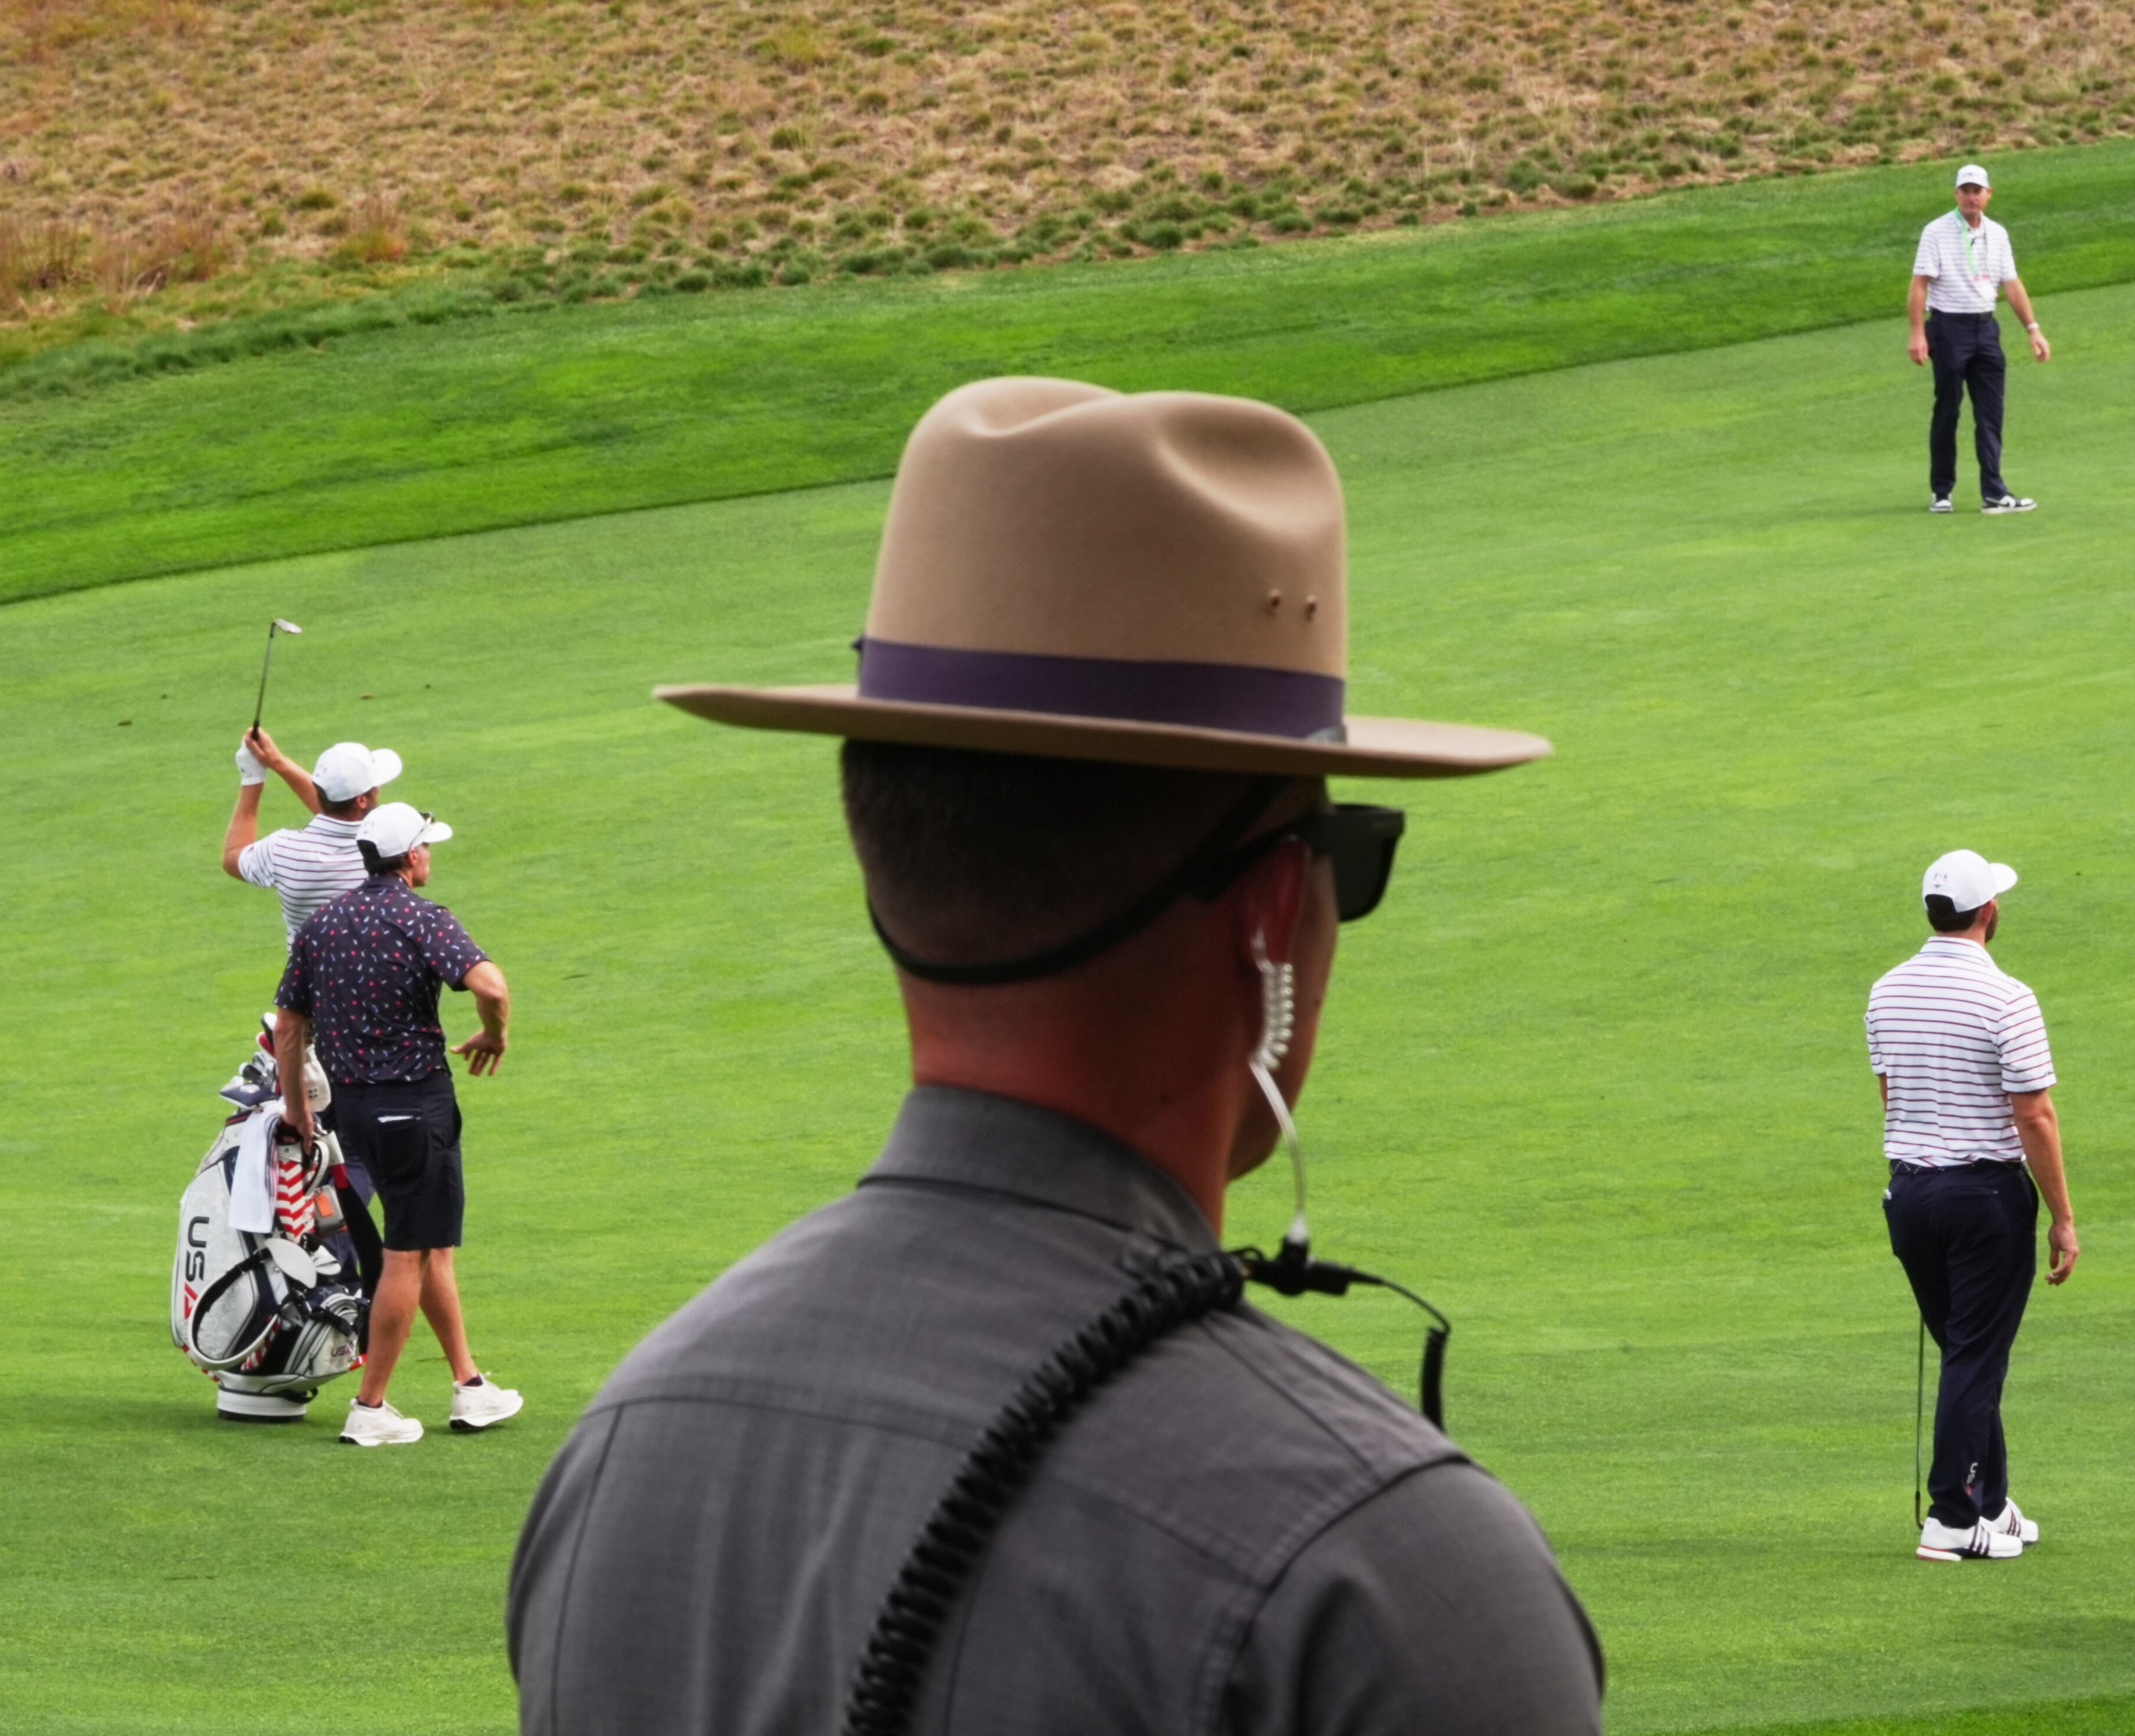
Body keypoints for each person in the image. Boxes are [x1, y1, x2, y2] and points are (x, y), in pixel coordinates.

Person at [507, 379, 1601, 1734]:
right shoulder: (1380, 1570)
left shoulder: (625, 1445)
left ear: (886, 862)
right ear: (1273, 910)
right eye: (1346, 863)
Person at [272, 801, 519, 1448]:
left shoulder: (324, 924)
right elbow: (491, 988)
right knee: (407, 1254)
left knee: (429, 1241)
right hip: (416, 1107)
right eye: (426, 848)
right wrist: (495, 1035)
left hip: (352, 1111)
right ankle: (370, 1405)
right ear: (410, 858)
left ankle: (469, 1386)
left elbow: (291, 1026)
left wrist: (299, 1110)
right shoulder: (421, 919)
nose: (430, 855)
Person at [1869, 847, 2078, 1564]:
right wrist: (2062, 1216)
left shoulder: (1885, 990)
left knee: (1964, 1353)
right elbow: (2033, 1116)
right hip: (1984, 1198)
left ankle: (1989, 1500)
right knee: (1974, 1360)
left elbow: (1890, 1093)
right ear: (1988, 913)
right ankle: (1952, 1519)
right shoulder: (2006, 997)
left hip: (1909, 1195)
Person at [1906, 163, 2048, 515]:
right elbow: (1920, 284)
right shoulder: (1936, 231)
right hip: (1948, 328)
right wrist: (1918, 333)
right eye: (1965, 190)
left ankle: (1994, 492)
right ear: (1956, 194)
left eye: (1977, 190)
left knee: (1990, 413)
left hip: (1986, 330)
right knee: (1948, 409)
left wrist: (2033, 329)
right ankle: (1942, 491)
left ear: (1988, 194)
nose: (1971, 196)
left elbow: (2011, 284)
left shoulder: (1997, 234)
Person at [224, 734, 399, 941]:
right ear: (362, 800)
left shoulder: (283, 851)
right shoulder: (391, 842)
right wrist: (279, 763)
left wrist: (252, 778)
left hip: (309, 973)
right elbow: (345, 818)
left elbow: (233, 856)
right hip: (374, 973)